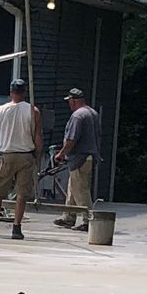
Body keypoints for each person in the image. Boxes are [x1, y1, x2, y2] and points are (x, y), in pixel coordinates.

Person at [0, 73, 42, 238]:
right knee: (22, 194)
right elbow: (39, 136)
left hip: (8, 155)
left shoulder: (1, 110)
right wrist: (37, 156)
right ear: (24, 92)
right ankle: (16, 228)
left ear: (11, 93)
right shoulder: (33, 111)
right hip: (26, 155)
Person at [52, 86, 102, 229]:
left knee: (81, 189)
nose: (69, 104)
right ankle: (68, 217)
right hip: (90, 156)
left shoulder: (77, 116)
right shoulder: (92, 113)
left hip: (80, 157)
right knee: (72, 188)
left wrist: (61, 154)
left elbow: (72, 139)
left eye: (69, 101)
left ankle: (88, 220)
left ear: (73, 101)